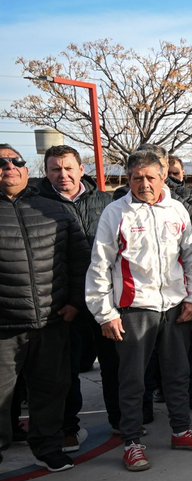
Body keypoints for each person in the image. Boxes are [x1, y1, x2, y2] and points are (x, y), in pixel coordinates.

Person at [87, 150, 192, 471]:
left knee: (178, 374)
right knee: (132, 380)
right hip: (134, 309)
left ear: (163, 177)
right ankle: (132, 442)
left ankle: (181, 431)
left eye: (150, 177)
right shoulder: (116, 212)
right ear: (128, 179)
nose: (144, 184)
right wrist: (105, 313)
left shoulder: (176, 209)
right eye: (137, 178)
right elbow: (100, 265)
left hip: (175, 308)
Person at [0, 144, 89, 472]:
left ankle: (48, 448)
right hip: (4, 328)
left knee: (51, 389)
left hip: (52, 321)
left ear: (27, 170)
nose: (9, 167)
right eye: (2, 163)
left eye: (16, 161)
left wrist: (75, 303)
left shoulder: (53, 209)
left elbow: (80, 260)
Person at [34, 144, 118, 446]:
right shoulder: (36, 205)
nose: (63, 175)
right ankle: (69, 427)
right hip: (63, 306)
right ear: (46, 172)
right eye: (55, 169)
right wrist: (70, 300)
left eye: (69, 168)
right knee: (64, 372)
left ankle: (122, 420)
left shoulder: (106, 202)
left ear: (82, 169)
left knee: (114, 365)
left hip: (106, 301)